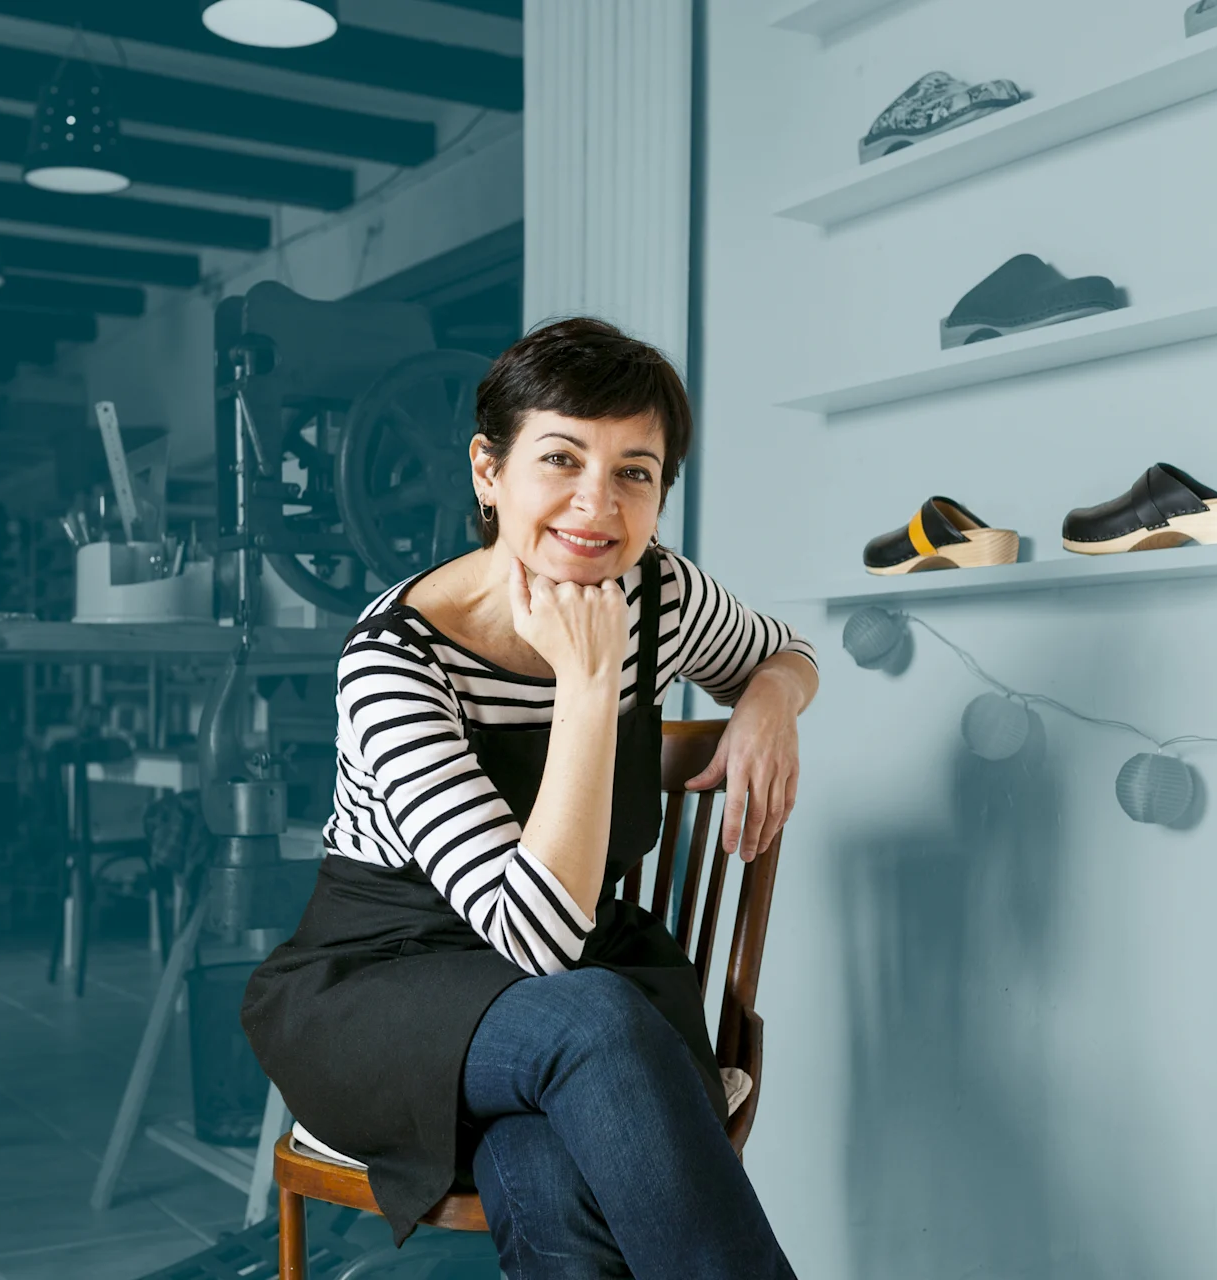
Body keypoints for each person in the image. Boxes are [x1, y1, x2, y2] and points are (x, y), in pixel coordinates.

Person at [241, 317, 818, 1279]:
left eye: (636, 471)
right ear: (487, 470)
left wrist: (769, 699)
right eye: (561, 458)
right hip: (388, 986)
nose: (596, 505)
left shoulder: (658, 595)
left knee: (546, 1162)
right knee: (590, 1021)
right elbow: (535, 947)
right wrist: (589, 688)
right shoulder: (396, 662)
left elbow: (788, 652)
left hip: (580, 987)